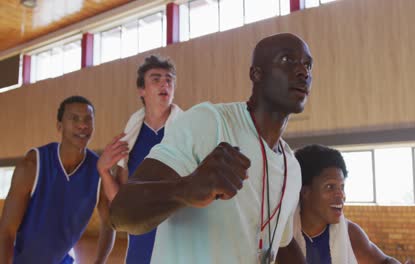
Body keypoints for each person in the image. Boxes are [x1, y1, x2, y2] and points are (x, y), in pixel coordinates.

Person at [109, 33, 314, 264]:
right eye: (287, 60)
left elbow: (281, 243)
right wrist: (185, 188)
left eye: (308, 65)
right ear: (256, 73)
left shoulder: (292, 168)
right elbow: (120, 213)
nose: (303, 72)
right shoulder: (210, 122)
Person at [0, 96, 114, 264]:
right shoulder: (32, 165)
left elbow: (109, 223)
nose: (82, 125)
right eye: (74, 118)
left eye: (88, 119)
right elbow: (7, 231)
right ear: (59, 126)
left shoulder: (99, 170)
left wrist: (99, 261)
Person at [97, 55, 183, 263]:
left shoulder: (187, 130)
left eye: (169, 79)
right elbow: (121, 201)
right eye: (156, 79)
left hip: (179, 239)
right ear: (141, 91)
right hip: (140, 243)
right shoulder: (131, 136)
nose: (165, 83)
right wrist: (104, 171)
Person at [293, 144, 404, 264]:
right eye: (330, 187)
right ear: (305, 192)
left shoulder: (350, 233)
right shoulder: (281, 234)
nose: (341, 195)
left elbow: (384, 261)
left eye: (342, 187)